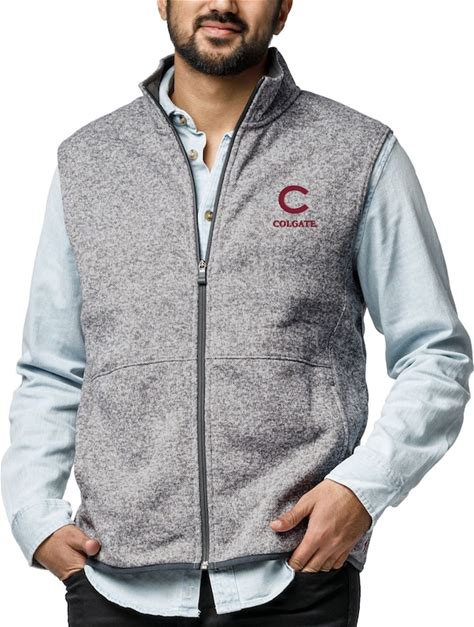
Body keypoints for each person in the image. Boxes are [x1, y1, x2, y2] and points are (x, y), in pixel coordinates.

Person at [1, 1, 472, 625]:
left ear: (283, 8)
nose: (222, 2)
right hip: (112, 578)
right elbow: (52, 368)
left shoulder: (357, 152)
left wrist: (363, 490)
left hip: (296, 574)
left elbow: (435, 352)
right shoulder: (88, 161)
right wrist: (32, 516)